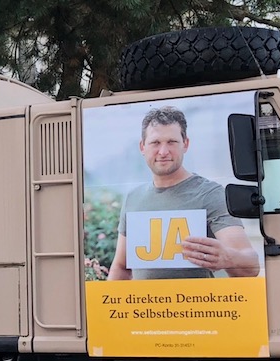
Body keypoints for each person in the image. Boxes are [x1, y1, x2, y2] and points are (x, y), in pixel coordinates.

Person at [107, 106, 260, 280]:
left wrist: (228, 258)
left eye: (171, 142)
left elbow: (251, 265)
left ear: (185, 144)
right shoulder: (133, 198)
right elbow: (121, 268)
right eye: (155, 143)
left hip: (198, 306)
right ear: (143, 147)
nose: (163, 152)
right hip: (144, 307)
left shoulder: (211, 194)